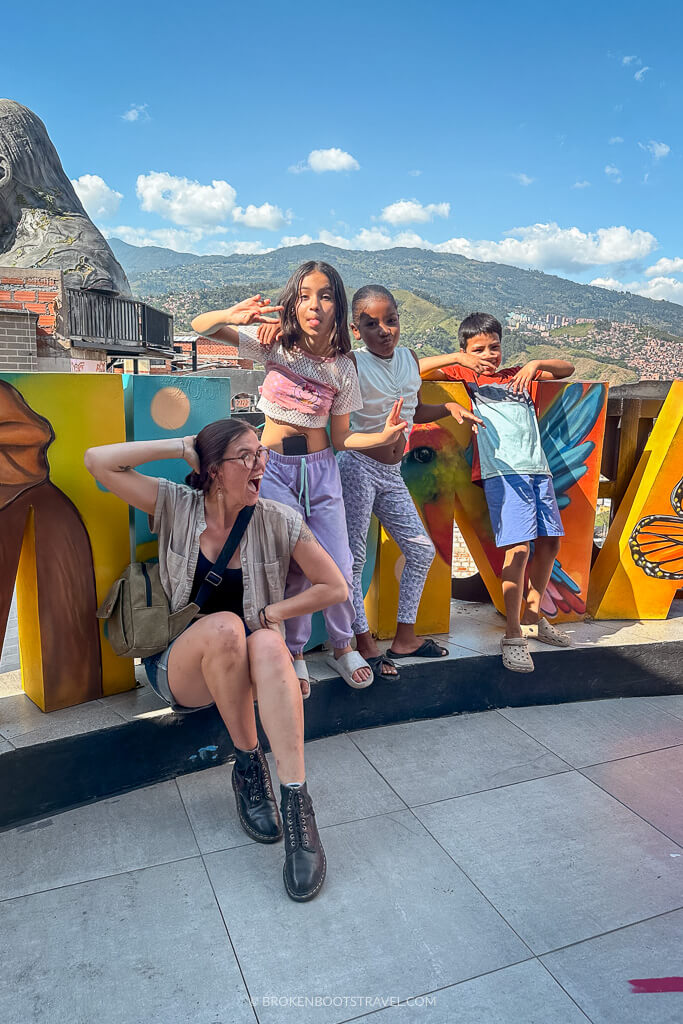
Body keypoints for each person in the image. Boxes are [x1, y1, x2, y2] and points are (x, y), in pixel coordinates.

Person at [84, 418, 348, 902]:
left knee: (268, 640)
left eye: (261, 454)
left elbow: (336, 587)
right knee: (228, 627)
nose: (260, 464)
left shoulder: (277, 518)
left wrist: (277, 612)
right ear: (211, 471)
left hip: (243, 664)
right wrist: (182, 446)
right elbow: (97, 461)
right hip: (180, 667)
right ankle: (249, 766)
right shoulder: (175, 505)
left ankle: (297, 808)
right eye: (245, 457)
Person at [191, 262, 408, 691]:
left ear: (337, 306)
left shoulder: (345, 367)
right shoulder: (276, 346)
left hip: (322, 470)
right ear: (293, 301)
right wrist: (232, 317)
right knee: (293, 566)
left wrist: (381, 437)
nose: (314, 304)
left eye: (325, 295)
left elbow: (343, 437)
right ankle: (294, 650)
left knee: (340, 563)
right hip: (271, 467)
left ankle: (344, 645)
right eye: (305, 295)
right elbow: (201, 326)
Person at [336, 285, 484, 679]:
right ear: (356, 329)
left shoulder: (409, 359)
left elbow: (413, 411)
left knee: (420, 551)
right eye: (371, 324)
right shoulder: (352, 363)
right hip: (356, 466)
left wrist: (448, 407)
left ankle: (406, 638)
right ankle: (362, 641)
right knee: (354, 559)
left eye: (391, 320)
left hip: (391, 472)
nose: (384, 330)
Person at [422, 312, 575, 673]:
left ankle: (535, 619)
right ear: (465, 350)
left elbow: (566, 369)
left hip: (538, 470)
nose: (489, 354)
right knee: (519, 549)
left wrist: (535, 362)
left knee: (550, 543)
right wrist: (459, 360)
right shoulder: (466, 374)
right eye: (479, 349)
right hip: (503, 473)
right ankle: (512, 635)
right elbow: (416, 369)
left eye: (494, 347)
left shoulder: (520, 375)